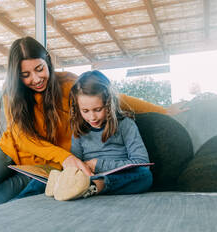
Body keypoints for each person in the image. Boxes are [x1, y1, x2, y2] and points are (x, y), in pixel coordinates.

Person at [0, 37, 175, 232]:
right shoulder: (13, 97)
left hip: (40, 166)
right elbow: (23, 139)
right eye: (25, 74)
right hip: (9, 150)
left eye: (39, 68)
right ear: (16, 74)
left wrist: (166, 111)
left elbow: (117, 99)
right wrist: (66, 158)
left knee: (0, 199)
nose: (35, 78)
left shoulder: (69, 84)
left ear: (48, 63)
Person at [45, 70, 152, 201]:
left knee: (145, 176)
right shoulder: (79, 129)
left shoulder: (126, 125)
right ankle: (62, 184)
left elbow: (142, 163)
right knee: (42, 178)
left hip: (119, 177)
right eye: (85, 111)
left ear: (109, 103)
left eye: (98, 109)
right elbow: (76, 161)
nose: (92, 117)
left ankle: (95, 186)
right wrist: (75, 169)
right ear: (77, 108)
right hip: (88, 176)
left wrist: (99, 165)